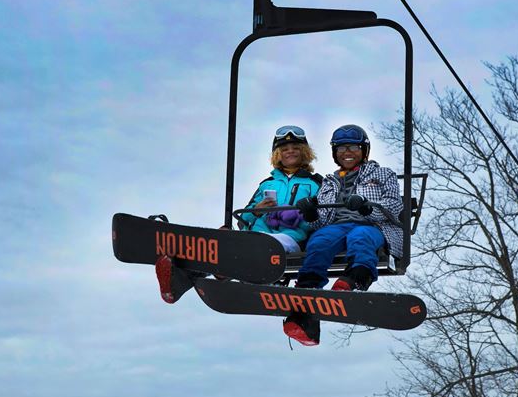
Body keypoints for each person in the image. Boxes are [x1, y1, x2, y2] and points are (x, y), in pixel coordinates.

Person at [155, 125, 321, 304]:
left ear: (304, 152)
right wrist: (257, 209)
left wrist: (300, 216)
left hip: (291, 238)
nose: (290, 152)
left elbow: (322, 218)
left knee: (254, 246)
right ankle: (178, 279)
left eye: (295, 148)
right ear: (277, 154)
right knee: (228, 240)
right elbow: (245, 220)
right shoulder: (267, 184)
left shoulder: (315, 183)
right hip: (258, 234)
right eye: (285, 149)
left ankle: (223, 270)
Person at [283, 124, 403, 346]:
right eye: (341, 149)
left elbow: (395, 206)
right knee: (320, 240)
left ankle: (356, 278)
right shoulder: (329, 181)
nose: (347, 153)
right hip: (338, 226)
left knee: (360, 237)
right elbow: (323, 220)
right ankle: (308, 287)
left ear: (364, 150)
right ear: (334, 153)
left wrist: (368, 207)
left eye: (353, 147)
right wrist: (311, 213)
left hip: (372, 224)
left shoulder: (382, 174)